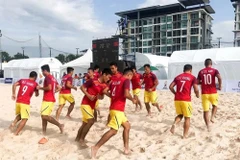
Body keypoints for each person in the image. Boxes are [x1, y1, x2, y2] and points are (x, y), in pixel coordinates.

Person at [91, 68, 137, 159]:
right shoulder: (126, 80)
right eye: (131, 76)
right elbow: (126, 94)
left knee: (127, 126)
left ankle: (126, 148)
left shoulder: (114, 81)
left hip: (114, 108)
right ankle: (95, 147)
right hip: (117, 109)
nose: (131, 79)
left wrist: (112, 96)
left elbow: (104, 91)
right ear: (129, 75)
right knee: (113, 131)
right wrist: (133, 100)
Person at [75, 68, 112, 146]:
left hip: (91, 106)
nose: (108, 79)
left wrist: (100, 97)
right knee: (91, 121)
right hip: (85, 103)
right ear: (104, 75)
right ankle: (82, 140)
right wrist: (88, 95)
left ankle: (77, 139)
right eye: (108, 77)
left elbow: (102, 97)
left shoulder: (104, 85)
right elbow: (82, 87)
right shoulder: (93, 80)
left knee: (85, 124)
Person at [169, 64, 199, 139]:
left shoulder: (178, 77)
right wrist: (197, 94)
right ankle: (185, 135)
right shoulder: (192, 77)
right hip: (186, 100)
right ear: (191, 70)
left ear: (183, 70)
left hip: (177, 99)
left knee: (180, 114)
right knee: (187, 118)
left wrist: (175, 93)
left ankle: (175, 123)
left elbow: (170, 86)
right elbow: (196, 89)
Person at [9, 71, 39, 135]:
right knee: (25, 119)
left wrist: (14, 94)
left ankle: (13, 124)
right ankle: (16, 133)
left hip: (18, 102)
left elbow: (14, 84)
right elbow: (37, 94)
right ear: (35, 77)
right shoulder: (35, 84)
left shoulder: (22, 80)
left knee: (21, 114)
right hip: (25, 103)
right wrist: (37, 90)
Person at [38, 64, 64, 135]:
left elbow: (49, 88)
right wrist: (54, 92)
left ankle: (60, 125)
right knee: (43, 116)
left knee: (44, 116)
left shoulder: (48, 77)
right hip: (49, 98)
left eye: (42, 71)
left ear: (45, 71)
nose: (42, 73)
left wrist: (40, 88)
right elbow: (59, 87)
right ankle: (44, 132)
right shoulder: (53, 77)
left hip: (48, 99)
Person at [197, 58, 222, 131]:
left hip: (205, 93)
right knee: (215, 105)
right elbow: (220, 78)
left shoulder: (201, 71)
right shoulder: (214, 70)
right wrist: (220, 86)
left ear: (205, 64)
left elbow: (197, 82)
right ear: (211, 64)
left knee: (206, 110)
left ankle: (208, 125)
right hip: (213, 92)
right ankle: (212, 117)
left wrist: (203, 82)